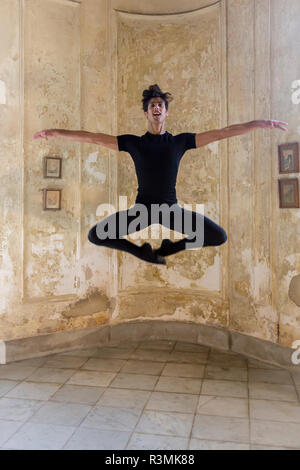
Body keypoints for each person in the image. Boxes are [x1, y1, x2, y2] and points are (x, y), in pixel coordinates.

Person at [34, 84, 288, 265]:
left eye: (160, 105)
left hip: (170, 211)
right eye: (152, 105)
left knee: (218, 236)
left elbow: (223, 132)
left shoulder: (180, 142)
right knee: (96, 235)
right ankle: (141, 253)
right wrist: (54, 133)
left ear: (166, 113)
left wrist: (261, 124)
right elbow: (92, 138)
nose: (156, 107)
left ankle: (170, 248)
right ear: (146, 113)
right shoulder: (133, 143)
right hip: (141, 212)